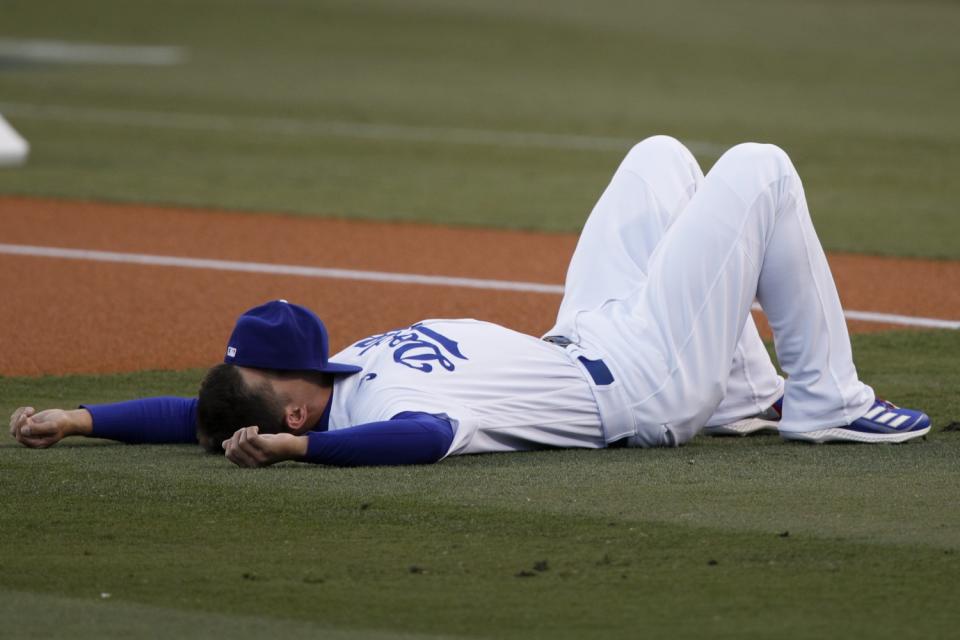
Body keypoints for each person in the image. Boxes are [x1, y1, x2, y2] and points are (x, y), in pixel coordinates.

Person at [8, 136, 931, 467]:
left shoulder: (331, 380)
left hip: (592, 333)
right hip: (644, 383)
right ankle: (828, 403)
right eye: (269, 363)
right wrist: (296, 451)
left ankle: (743, 396)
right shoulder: (386, 409)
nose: (276, 344)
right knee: (759, 168)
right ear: (294, 403)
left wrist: (81, 417)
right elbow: (424, 443)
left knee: (657, 158)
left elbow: (197, 417)